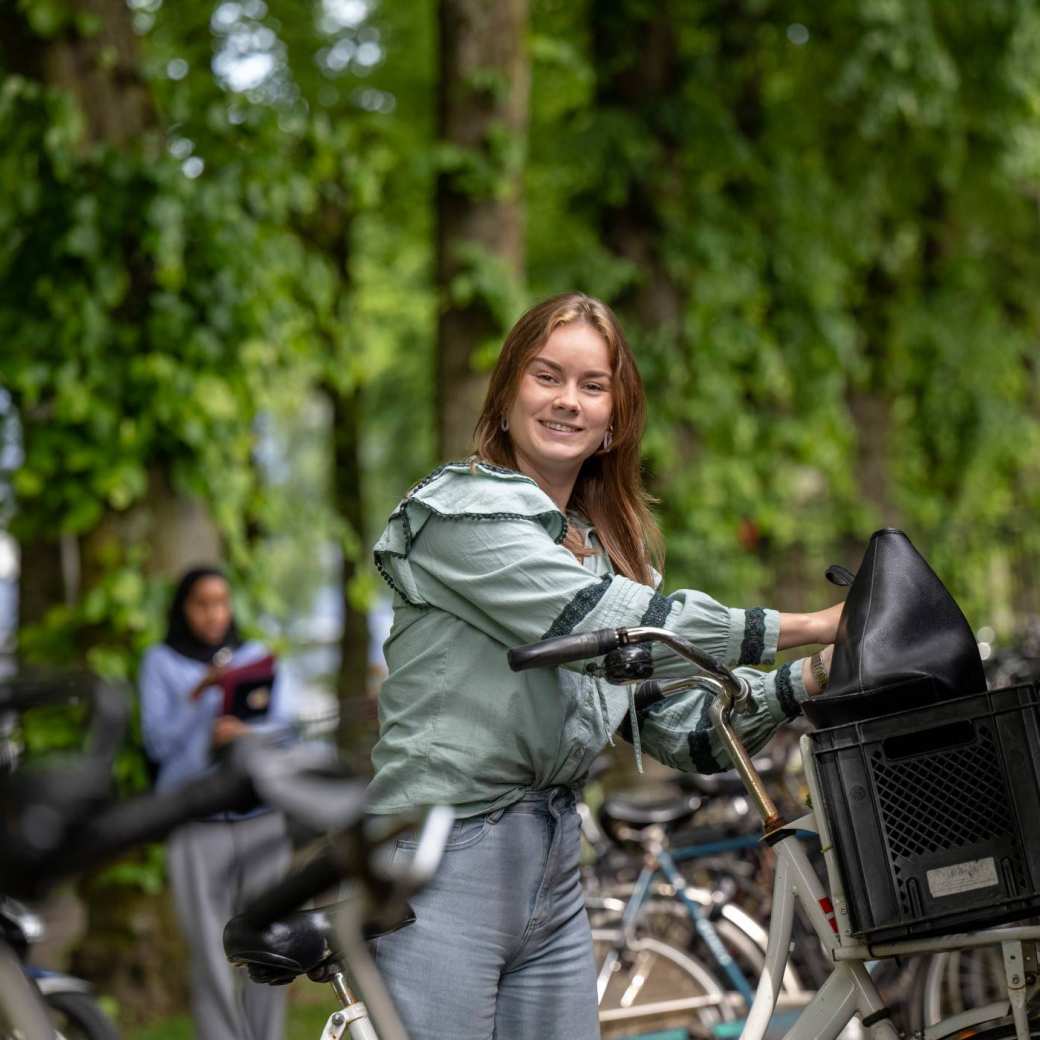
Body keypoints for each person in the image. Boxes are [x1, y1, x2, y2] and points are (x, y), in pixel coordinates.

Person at [368, 292, 842, 1040]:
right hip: (443, 855)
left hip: (554, 862)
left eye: (593, 386)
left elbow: (685, 731)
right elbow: (595, 623)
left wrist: (810, 678)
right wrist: (806, 625)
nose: (568, 401)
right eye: (546, 377)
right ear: (506, 395)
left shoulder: (609, 557)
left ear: (615, 418)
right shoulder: (460, 514)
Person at [139, 566, 296, 1040]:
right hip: (195, 822)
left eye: (221, 602)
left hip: (261, 819)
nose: (213, 614)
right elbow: (157, 743)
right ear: (183, 608)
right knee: (210, 952)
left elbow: (287, 730)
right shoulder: (161, 663)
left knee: (273, 945)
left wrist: (246, 734)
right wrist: (198, 699)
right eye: (201, 604)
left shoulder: (255, 656)